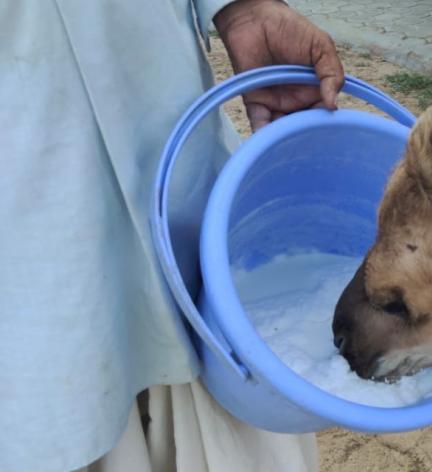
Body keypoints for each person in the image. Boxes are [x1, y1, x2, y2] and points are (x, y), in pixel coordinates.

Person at [0, 1, 344, 470]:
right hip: (28, 201)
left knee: (220, 364)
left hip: (163, 118)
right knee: (61, 388)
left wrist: (240, 8)